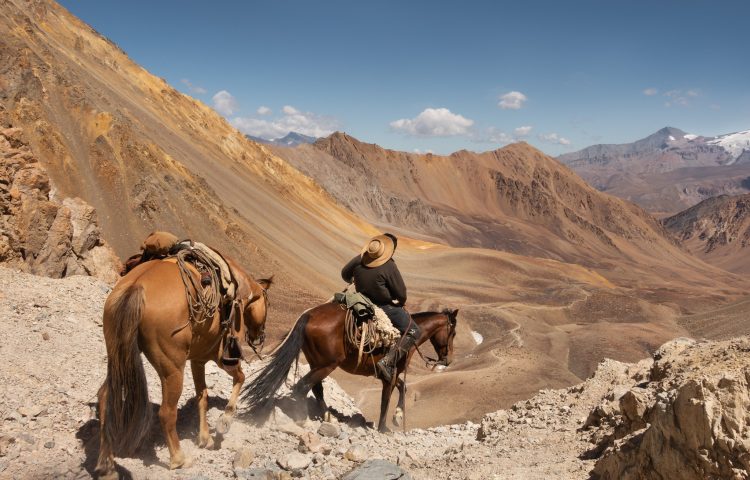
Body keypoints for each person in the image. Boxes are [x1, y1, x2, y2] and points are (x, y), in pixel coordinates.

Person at [341, 233, 421, 383]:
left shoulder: (360, 258)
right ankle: (387, 362)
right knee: (414, 331)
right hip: (383, 306)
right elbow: (401, 293)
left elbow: (344, 274)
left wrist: (355, 279)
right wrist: (400, 302)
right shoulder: (389, 265)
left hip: (360, 300)